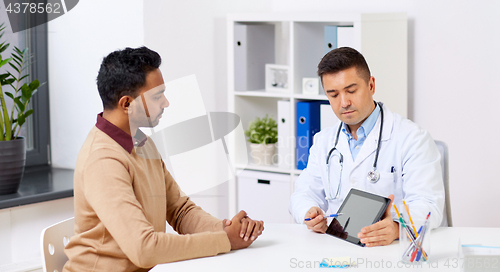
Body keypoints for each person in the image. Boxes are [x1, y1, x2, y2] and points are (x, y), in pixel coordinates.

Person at [63, 47, 264, 272]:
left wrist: (227, 229)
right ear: (127, 104)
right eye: (157, 96)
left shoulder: (141, 142)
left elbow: (180, 210)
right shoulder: (102, 160)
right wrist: (225, 241)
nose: (166, 103)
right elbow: (144, 248)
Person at [289, 47, 444, 247]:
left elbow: (429, 204)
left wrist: (397, 228)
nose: (344, 102)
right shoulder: (324, 141)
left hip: (389, 251)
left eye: (351, 91)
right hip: (337, 249)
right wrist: (309, 213)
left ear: (371, 85)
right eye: (333, 94)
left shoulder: (412, 138)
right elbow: (302, 194)